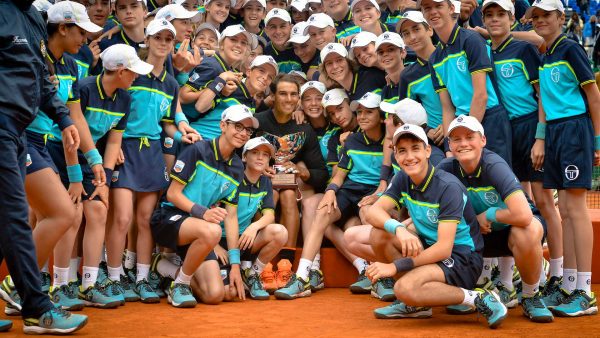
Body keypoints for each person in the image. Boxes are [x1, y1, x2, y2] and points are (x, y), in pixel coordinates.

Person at [357, 124, 508, 329]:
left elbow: (444, 249)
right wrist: (399, 229)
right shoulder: (403, 177)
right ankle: (418, 305)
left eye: (415, 148)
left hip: (462, 258)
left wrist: (394, 267)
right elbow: (374, 211)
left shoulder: (448, 187)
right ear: (395, 155)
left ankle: (478, 297)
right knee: (379, 235)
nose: (409, 157)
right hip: (431, 249)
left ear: (428, 151)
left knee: (403, 288)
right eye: (402, 151)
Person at [0, 0, 87, 334]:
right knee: (14, 215)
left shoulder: (35, 17)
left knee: (7, 220)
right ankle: (36, 309)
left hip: (17, 129)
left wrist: (64, 118)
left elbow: (40, 75)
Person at [481, 0, 563, 308]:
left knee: (544, 201)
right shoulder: (486, 51)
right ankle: (507, 278)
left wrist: (540, 137)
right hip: (504, 131)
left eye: (500, 14)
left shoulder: (524, 50)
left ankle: (554, 274)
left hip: (531, 128)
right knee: (508, 200)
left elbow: (541, 94)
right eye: (489, 14)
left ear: (512, 18)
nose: (494, 19)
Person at [437, 115, 554, 322]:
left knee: (528, 230)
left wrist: (489, 214)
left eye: (469, 137)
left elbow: (524, 215)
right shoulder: (445, 169)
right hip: (477, 237)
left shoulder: (494, 165)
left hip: (509, 231)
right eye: (456, 139)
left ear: (483, 140)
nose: (463, 143)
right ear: (450, 145)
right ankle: (465, 290)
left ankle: (530, 295)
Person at [527, 0, 600, 317]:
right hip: (555, 133)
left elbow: (594, 95)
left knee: (575, 207)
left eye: (546, 16)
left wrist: (597, 141)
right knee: (565, 209)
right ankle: (569, 284)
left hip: (575, 129)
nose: (540, 21)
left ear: (561, 17)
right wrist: (541, 136)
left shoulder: (570, 49)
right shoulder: (546, 53)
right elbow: (544, 97)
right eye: (536, 17)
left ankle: (584, 291)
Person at [274, 91, 385, 299]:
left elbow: (390, 177)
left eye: (368, 112)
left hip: (372, 195)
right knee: (320, 210)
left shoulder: (390, 139)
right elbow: (338, 176)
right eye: (359, 112)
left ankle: (375, 274)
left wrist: (379, 194)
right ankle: (304, 276)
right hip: (348, 192)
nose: (362, 116)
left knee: (361, 220)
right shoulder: (344, 140)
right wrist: (330, 192)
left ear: (380, 115)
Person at [150, 104, 256, 308]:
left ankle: (166, 269)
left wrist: (235, 264)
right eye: (238, 126)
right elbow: (172, 194)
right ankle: (180, 285)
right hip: (168, 218)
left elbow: (231, 216)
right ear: (223, 125)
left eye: (248, 130)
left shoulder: (237, 168)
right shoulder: (197, 150)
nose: (243, 133)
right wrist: (204, 212)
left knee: (215, 295)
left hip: (200, 230)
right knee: (213, 230)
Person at [254, 74, 329, 289]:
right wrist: (257, 167)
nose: (288, 99)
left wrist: (302, 172)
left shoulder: (305, 129)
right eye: (283, 94)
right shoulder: (259, 120)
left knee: (286, 192)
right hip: (259, 182)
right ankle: (264, 262)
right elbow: (241, 154)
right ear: (273, 96)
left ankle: (286, 263)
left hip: (289, 183)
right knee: (274, 191)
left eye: (293, 94)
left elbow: (321, 173)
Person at [420, 0, 512, 166]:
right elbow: (447, 107)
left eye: (438, 6)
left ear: (451, 8)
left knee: (499, 182)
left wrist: (469, 134)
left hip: (489, 118)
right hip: (461, 123)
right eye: (427, 8)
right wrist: (449, 145)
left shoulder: (471, 40)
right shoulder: (435, 58)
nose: (433, 12)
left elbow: (481, 95)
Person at [219, 137, 288, 298]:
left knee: (279, 232)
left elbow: (269, 215)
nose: (260, 157)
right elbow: (209, 210)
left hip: (244, 240)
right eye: (255, 153)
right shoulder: (232, 178)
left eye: (265, 155)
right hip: (220, 241)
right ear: (244, 157)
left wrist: (253, 227)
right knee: (229, 294)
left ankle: (251, 274)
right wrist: (214, 244)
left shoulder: (265, 182)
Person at [180, 25, 254, 140]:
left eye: (243, 43)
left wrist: (219, 88)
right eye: (233, 39)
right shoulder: (212, 65)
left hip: (188, 125)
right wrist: (219, 83)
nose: (239, 45)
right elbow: (182, 96)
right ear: (222, 44)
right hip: (178, 125)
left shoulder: (227, 69)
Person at [319, 43, 386, 100]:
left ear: (348, 62)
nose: (335, 66)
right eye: (329, 63)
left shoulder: (371, 76)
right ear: (325, 69)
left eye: (339, 60)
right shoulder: (341, 93)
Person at [263, 8, 302, 74]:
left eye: (282, 26)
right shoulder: (264, 52)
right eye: (273, 27)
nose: (278, 32)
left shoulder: (301, 46)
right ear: (266, 31)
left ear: (291, 27)